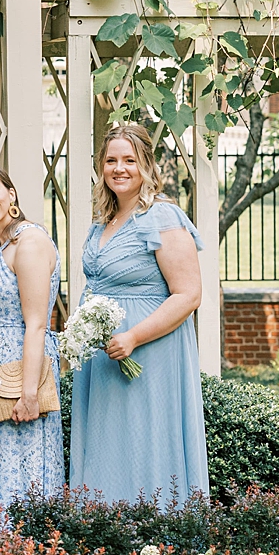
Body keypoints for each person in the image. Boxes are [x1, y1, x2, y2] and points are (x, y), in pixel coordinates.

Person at [71, 123, 208, 507]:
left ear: (146, 164)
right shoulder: (103, 220)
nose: (119, 168)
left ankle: (152, 530)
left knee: (143, 438)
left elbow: (189, 294)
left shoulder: (163, 217)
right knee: (108, 438)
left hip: (148, 353)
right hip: (104, 357)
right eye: (111, 160)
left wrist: (133, 337)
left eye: (129, 160)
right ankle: (103, 528)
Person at [0, 163, 65, 501]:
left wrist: (29, 393)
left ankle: (28, 545)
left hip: (22, 365)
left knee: (24, 464)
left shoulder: (30, 241)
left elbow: (37, 323)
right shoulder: (0, 244)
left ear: (11, 194)